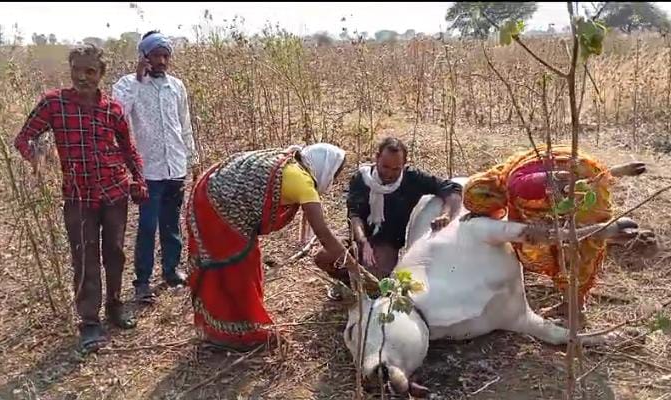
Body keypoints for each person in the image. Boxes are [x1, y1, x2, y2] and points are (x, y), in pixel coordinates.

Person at [13, 44, 148, 352]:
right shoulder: (53, 103)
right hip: (78, 198)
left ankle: (115, 307)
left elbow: (129, 149)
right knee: (85, 259)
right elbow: (24, 138)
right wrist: (38, 157)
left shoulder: (112, 108)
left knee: (114, 254)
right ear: (70, 69)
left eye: (90, 71)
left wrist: (139, 181)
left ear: (101, 74)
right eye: (77, 70)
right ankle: (89, 322)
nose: (83, 77)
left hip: (114, 192)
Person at [186, 143, 359, 352]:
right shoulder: (302, 182)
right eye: (335, 174)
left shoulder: (291, 162)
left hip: (211, 188)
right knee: (238, 270)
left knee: (243, 266)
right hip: (219, 205)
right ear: (325, 168)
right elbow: (324, 235)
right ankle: (239, 334)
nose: (333, 180)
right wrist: (355, 268)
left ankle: (235, 326)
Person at [461, 145, 645, 325]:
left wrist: (563, 188)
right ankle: (571, 304)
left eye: (486, 210)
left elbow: (553, 179)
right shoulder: (508, 171)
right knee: (563, 246)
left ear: (489, 198)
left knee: (568, 250)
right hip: (583, 172)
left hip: (575, 191)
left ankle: (576, 314)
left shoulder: (517, 185)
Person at [112, 31, 198, 302]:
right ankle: (142, 282)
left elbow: (184, 125)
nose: (161, 61)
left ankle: (172, 271)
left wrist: (192, 159)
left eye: (165, 55)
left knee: (172, 224)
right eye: (156, 55)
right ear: (144, 56)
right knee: (147, 227)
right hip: (148, 171)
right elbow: (118, 116)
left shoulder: (176, 87)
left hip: (175, 167)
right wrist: (138, 81)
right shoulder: (127, 85)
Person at [343, 137, 463, 281]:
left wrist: (446, 214)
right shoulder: (362, 178)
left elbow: (452, 188)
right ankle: (353, 283)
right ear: (376, 158)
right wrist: (363, 242)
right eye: (385, 167)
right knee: (325, 257)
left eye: (396, 169)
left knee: (374, 273)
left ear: (404, 165)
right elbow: (354, 215)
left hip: (388, 243)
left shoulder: (412, 179)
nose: (389, 174)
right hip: (360, 239)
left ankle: (365, 282)